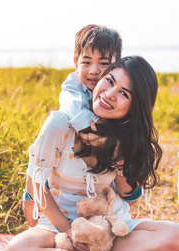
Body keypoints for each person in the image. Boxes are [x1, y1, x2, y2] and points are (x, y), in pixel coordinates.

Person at [6, 56, 179, 251]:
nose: (110, 94)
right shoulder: (61, 124)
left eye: (124, 93)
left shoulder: (127, 137)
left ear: (134, 107)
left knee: (175, 236)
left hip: (109, 228)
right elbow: (34, 184)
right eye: (110, 81)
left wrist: (117, 153)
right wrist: (68, 230)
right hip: (59, 226)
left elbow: (129, 195)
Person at [23, 24, 135, 227]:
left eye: (103, 63)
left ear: (116, 65)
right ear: (76, 63)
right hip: (52, 168)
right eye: (86, 62)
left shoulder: (115, 98)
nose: (94, 70)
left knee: (131, 192)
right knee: (33, 213)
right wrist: (87, 130)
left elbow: (130, 193)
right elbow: (71, 106)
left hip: (100, 187)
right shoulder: (73, 89)